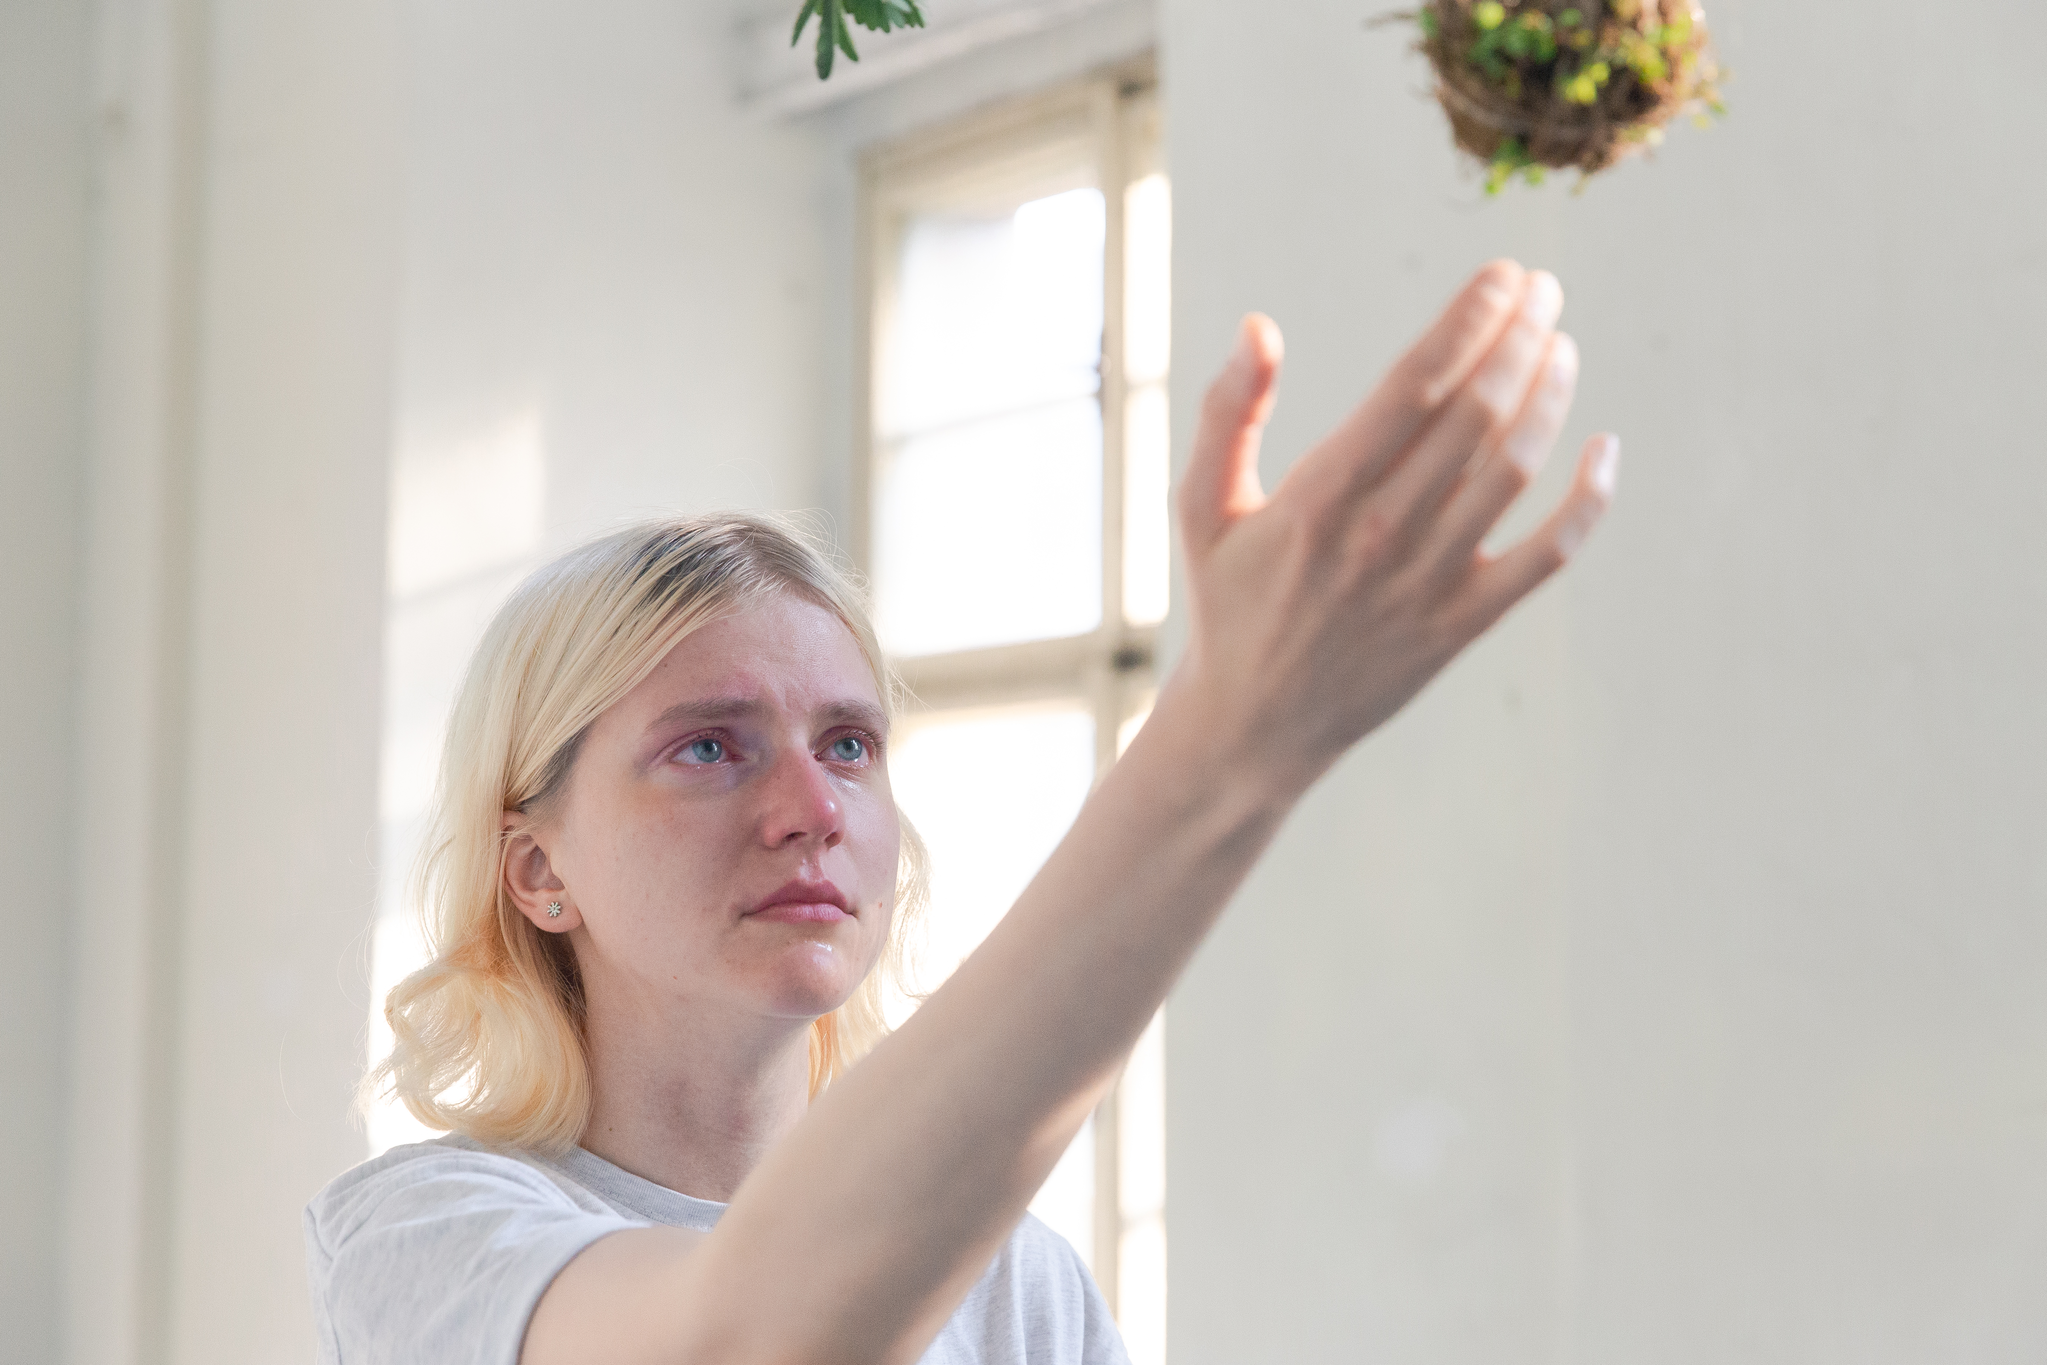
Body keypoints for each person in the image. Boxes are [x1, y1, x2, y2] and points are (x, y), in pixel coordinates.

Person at [304, 260, 1616, 1365]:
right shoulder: (429, 1239)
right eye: (709, 747)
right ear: (538, 870)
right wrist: (1221, 747)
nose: (810, 808)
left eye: (849, 745)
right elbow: (747, 1341)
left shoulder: (1018, 1285)